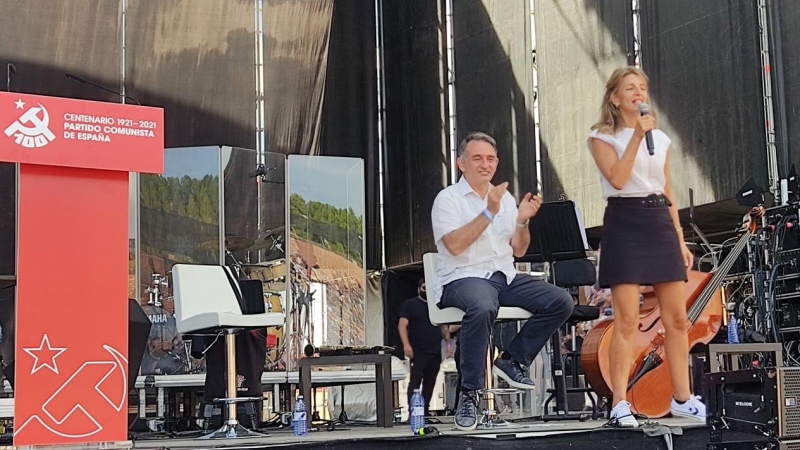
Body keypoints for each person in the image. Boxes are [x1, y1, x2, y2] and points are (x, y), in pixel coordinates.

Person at [431, 132, 574, 431]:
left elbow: (519, 249)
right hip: (462, 277)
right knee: (483, 305)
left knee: (561, 301)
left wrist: (521, 221)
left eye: (491, 159)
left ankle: (512, 360)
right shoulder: (448, 199)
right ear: (461, 163)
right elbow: (455, 246)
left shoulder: (504, 198)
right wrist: (488, 212)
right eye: (477, 158)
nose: (485, 164)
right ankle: (469, 394)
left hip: (503, 276)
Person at [587, 66, 705, 427]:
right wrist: (637, 137)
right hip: (625, 220)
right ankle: (620, 402)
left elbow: (666, 189)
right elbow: (619, 179)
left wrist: (680, 238)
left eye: (642, 87)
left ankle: (682, 398)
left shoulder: (663, 140)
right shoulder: (601, 138)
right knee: (626, 319)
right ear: (615, 98)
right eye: (630, 88)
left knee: (677, 319)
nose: (638, 93)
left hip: (658, 221)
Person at [398, 278, 445, 416]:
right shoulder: (410, 305)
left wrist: (448, 343)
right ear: (419, 288)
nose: (426, 290)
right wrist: (406, 345)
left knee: (430, 382)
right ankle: (413, 411)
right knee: (415, 381)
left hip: (435, 350)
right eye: (424, 287)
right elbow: (402, 325)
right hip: (418, 350)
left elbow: (443, 325)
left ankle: (424, 411)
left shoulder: (436, 305)